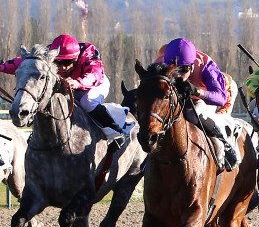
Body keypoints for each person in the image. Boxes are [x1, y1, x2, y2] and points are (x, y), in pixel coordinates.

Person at [0, 34, 130, 145]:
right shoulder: (48, 53)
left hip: (95, 84)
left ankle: (116, 131)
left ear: (76, 58)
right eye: (58, 62)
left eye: (67, 63)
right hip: (68, 85)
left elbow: (94, 74)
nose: (62, 67)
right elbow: (25, 63)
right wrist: (2, 67)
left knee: (87, 102)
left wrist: (77, 83)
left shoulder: (88, 52)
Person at [159, 37, 238, 171]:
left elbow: (220, 98)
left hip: (214, 95)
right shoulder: (162, 60)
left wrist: (196, 91)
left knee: (193, 115)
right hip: (181, 97)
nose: (177, 76)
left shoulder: (206, 66)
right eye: (172, 70)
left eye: (182, 71)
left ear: (192, 66)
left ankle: (225, 145)